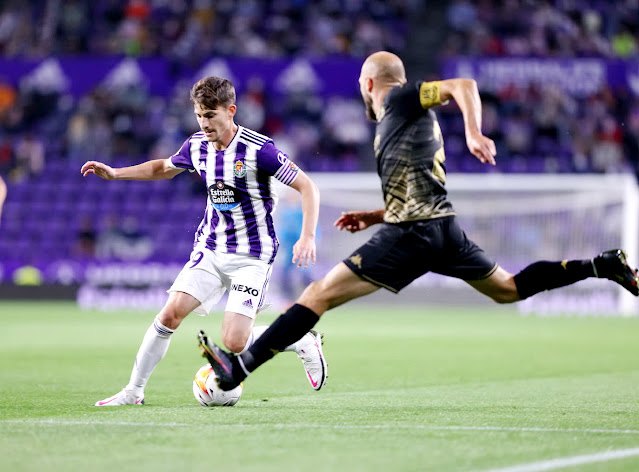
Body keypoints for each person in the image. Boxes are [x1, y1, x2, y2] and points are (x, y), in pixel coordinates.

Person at [197, 51, 639, 391]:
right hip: (442, 228)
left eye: (361, 87)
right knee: (509, 289)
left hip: (413, 233)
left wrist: (473, 132)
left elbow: (462, 85)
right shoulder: (399, 122)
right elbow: (417, 186)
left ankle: (239, 368)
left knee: (317, 295)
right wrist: (375, 215)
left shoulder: (402, 99)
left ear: (369, 84)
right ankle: (601, 265)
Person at [81, 76, 327, 406]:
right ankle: (133, 391)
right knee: (169, 315)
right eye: (199, 115)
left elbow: (307, 187)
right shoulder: (196, 145)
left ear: (231, 110)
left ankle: (300, 340)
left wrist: (307, 235)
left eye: (210, 115)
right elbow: (162, 168)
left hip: (252, 256)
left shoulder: (259, 150)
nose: (203, 122)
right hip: (210, 249)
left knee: (234, 342)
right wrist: (115, 172)